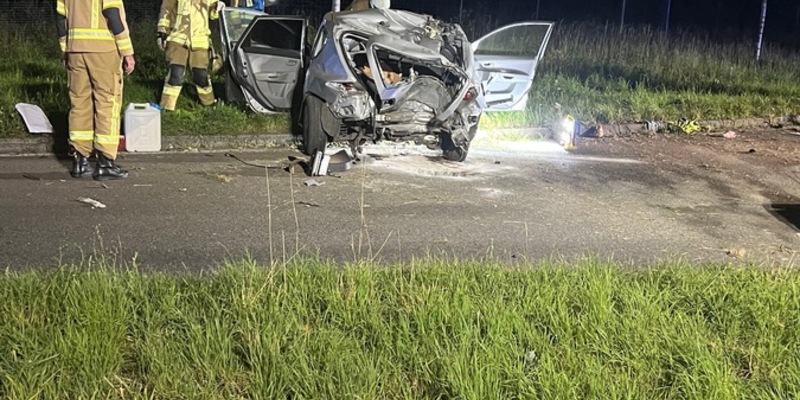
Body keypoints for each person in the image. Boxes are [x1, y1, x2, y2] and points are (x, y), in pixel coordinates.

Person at [57, 0, 135, 180]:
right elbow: (112, 13)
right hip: (103, 49)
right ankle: (105, 163)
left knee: (79, 103)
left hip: (75, 49)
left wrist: (65, 49)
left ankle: (80, 162)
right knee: (107, 103)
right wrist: (127, 51)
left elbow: (61, 18)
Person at [156, 0, 225, 111]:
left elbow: (213, 15)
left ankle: (209, 104)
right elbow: (166, 10)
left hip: (200, 40)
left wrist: (217, 6)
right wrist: (162, 32)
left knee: (200, 75)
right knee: (176, 73)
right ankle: (167, 107)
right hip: (178, 38)